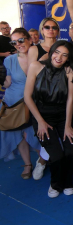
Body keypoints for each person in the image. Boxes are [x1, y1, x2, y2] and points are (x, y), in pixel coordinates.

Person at [24, 40, 73, 198]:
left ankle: (68, 182)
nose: (59, 57)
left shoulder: (70, 71)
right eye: (57, 52)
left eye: (64, 55)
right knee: (55, 154)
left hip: (63, 115)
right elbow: (27, 97)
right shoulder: (36, 66)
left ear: (68, 58)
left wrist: (68, 125)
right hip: (41, 115)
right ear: (51, 52)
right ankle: (55, 184)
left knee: (72, 150)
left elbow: (70, 99)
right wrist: (40, 121)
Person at [0, 28, 45, 180]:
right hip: (16, 102)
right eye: (14, 42)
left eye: (21, 40)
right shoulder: (9, 60)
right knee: (19, 135)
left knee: (37, 134)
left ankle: (43, 161)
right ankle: (27, 164)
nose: (18, 44)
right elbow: (7, 84)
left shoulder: (39, 55)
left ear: (29, 39)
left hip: (36, 102)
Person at [0, 21, 16, 86]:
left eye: (7, 27)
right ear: (0, 30)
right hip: (4, 66)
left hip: (17, 63)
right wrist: (5, 54)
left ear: (10, 28)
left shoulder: (15, 38)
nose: (5, 29)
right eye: (3, 28)